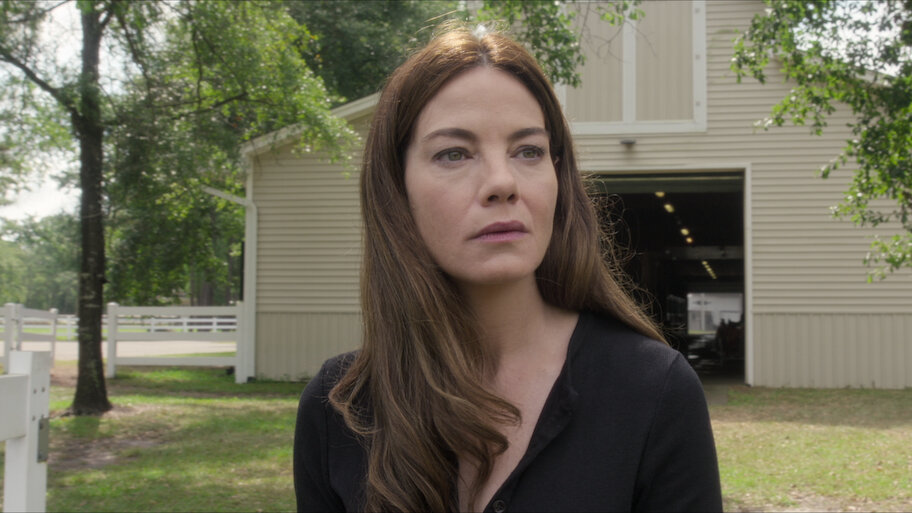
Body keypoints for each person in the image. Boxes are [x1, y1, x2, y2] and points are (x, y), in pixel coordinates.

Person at [294, 25, 722, 513]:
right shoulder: (339, 408)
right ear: (397, 188)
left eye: (528, 151)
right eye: (454, 153)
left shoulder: (653, 391)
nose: (502, 182)